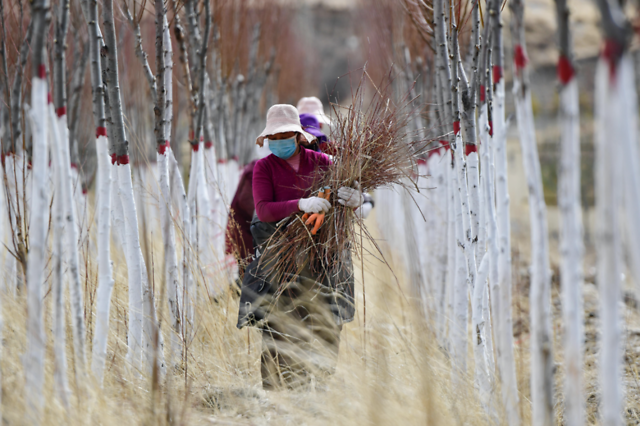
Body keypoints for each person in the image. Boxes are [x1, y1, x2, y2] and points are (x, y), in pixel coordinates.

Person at [236, 104, 363, 389]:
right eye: (274, 138)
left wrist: (355, 201)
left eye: (285, 136)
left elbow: (345, 203)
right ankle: (280, 398)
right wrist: (300, 204)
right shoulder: (264, 167)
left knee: (325, 324)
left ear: (298, 135)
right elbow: (264, 210)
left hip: (323, 259)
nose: (279, 142)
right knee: (279, 327)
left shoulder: (324, 162)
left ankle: (319, 393)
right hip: (281, 261)